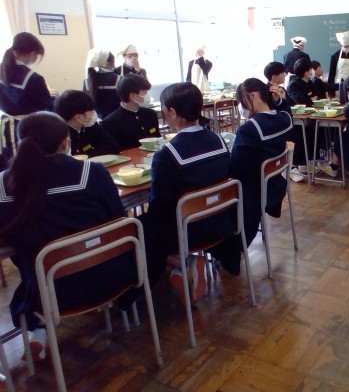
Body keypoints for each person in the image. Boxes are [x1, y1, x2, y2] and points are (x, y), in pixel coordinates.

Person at [0, 112, 135, 359]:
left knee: (30, 264)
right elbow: (119, 220)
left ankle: (38, 331)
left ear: (19, 143)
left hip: (48, 292)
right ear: (65, 142)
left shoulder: (5, 185)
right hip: (112, 277)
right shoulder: (92, 172)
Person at [139, 83, 237, 304]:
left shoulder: (167, 154)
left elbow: (158, 206)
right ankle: (183, 266)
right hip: (221, 222)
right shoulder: (219, 141)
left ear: (172, 112)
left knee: (142, 227)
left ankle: (183, 263)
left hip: (188, 231)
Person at [230, 78, 292, 246]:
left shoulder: (249, 128)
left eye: (242, 102)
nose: (242, 107)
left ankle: (232, 244)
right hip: (275, 183)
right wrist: (280, 101)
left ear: (253, 96)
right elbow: (287, 111)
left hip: (253, 189)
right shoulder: (283, 120)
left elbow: (236, 166)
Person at [54, 90, 119, 157]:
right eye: (91, 110)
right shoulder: (61, 135)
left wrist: (88, 155)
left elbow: (112, 146)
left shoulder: (90, 125)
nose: (94, 113)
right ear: (78, 117)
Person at [102, 74, 161, 150]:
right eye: (144, 92)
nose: (147, 96)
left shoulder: (151, 114)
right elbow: (115, 150)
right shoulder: (110, 122)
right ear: (132, 96)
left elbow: (158, 139)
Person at [0, 32, 52, 116]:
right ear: (33, 54)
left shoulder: (2, 69)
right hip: (29, 123)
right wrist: (53, 95)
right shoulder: (34, 78)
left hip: (5, 122)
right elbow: (47, 108)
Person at [85, 48, 119, 119]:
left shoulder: (87, 81)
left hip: (96, 120)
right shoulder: (119, 79)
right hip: (116, 119)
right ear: (108, 63)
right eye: (113, 62)